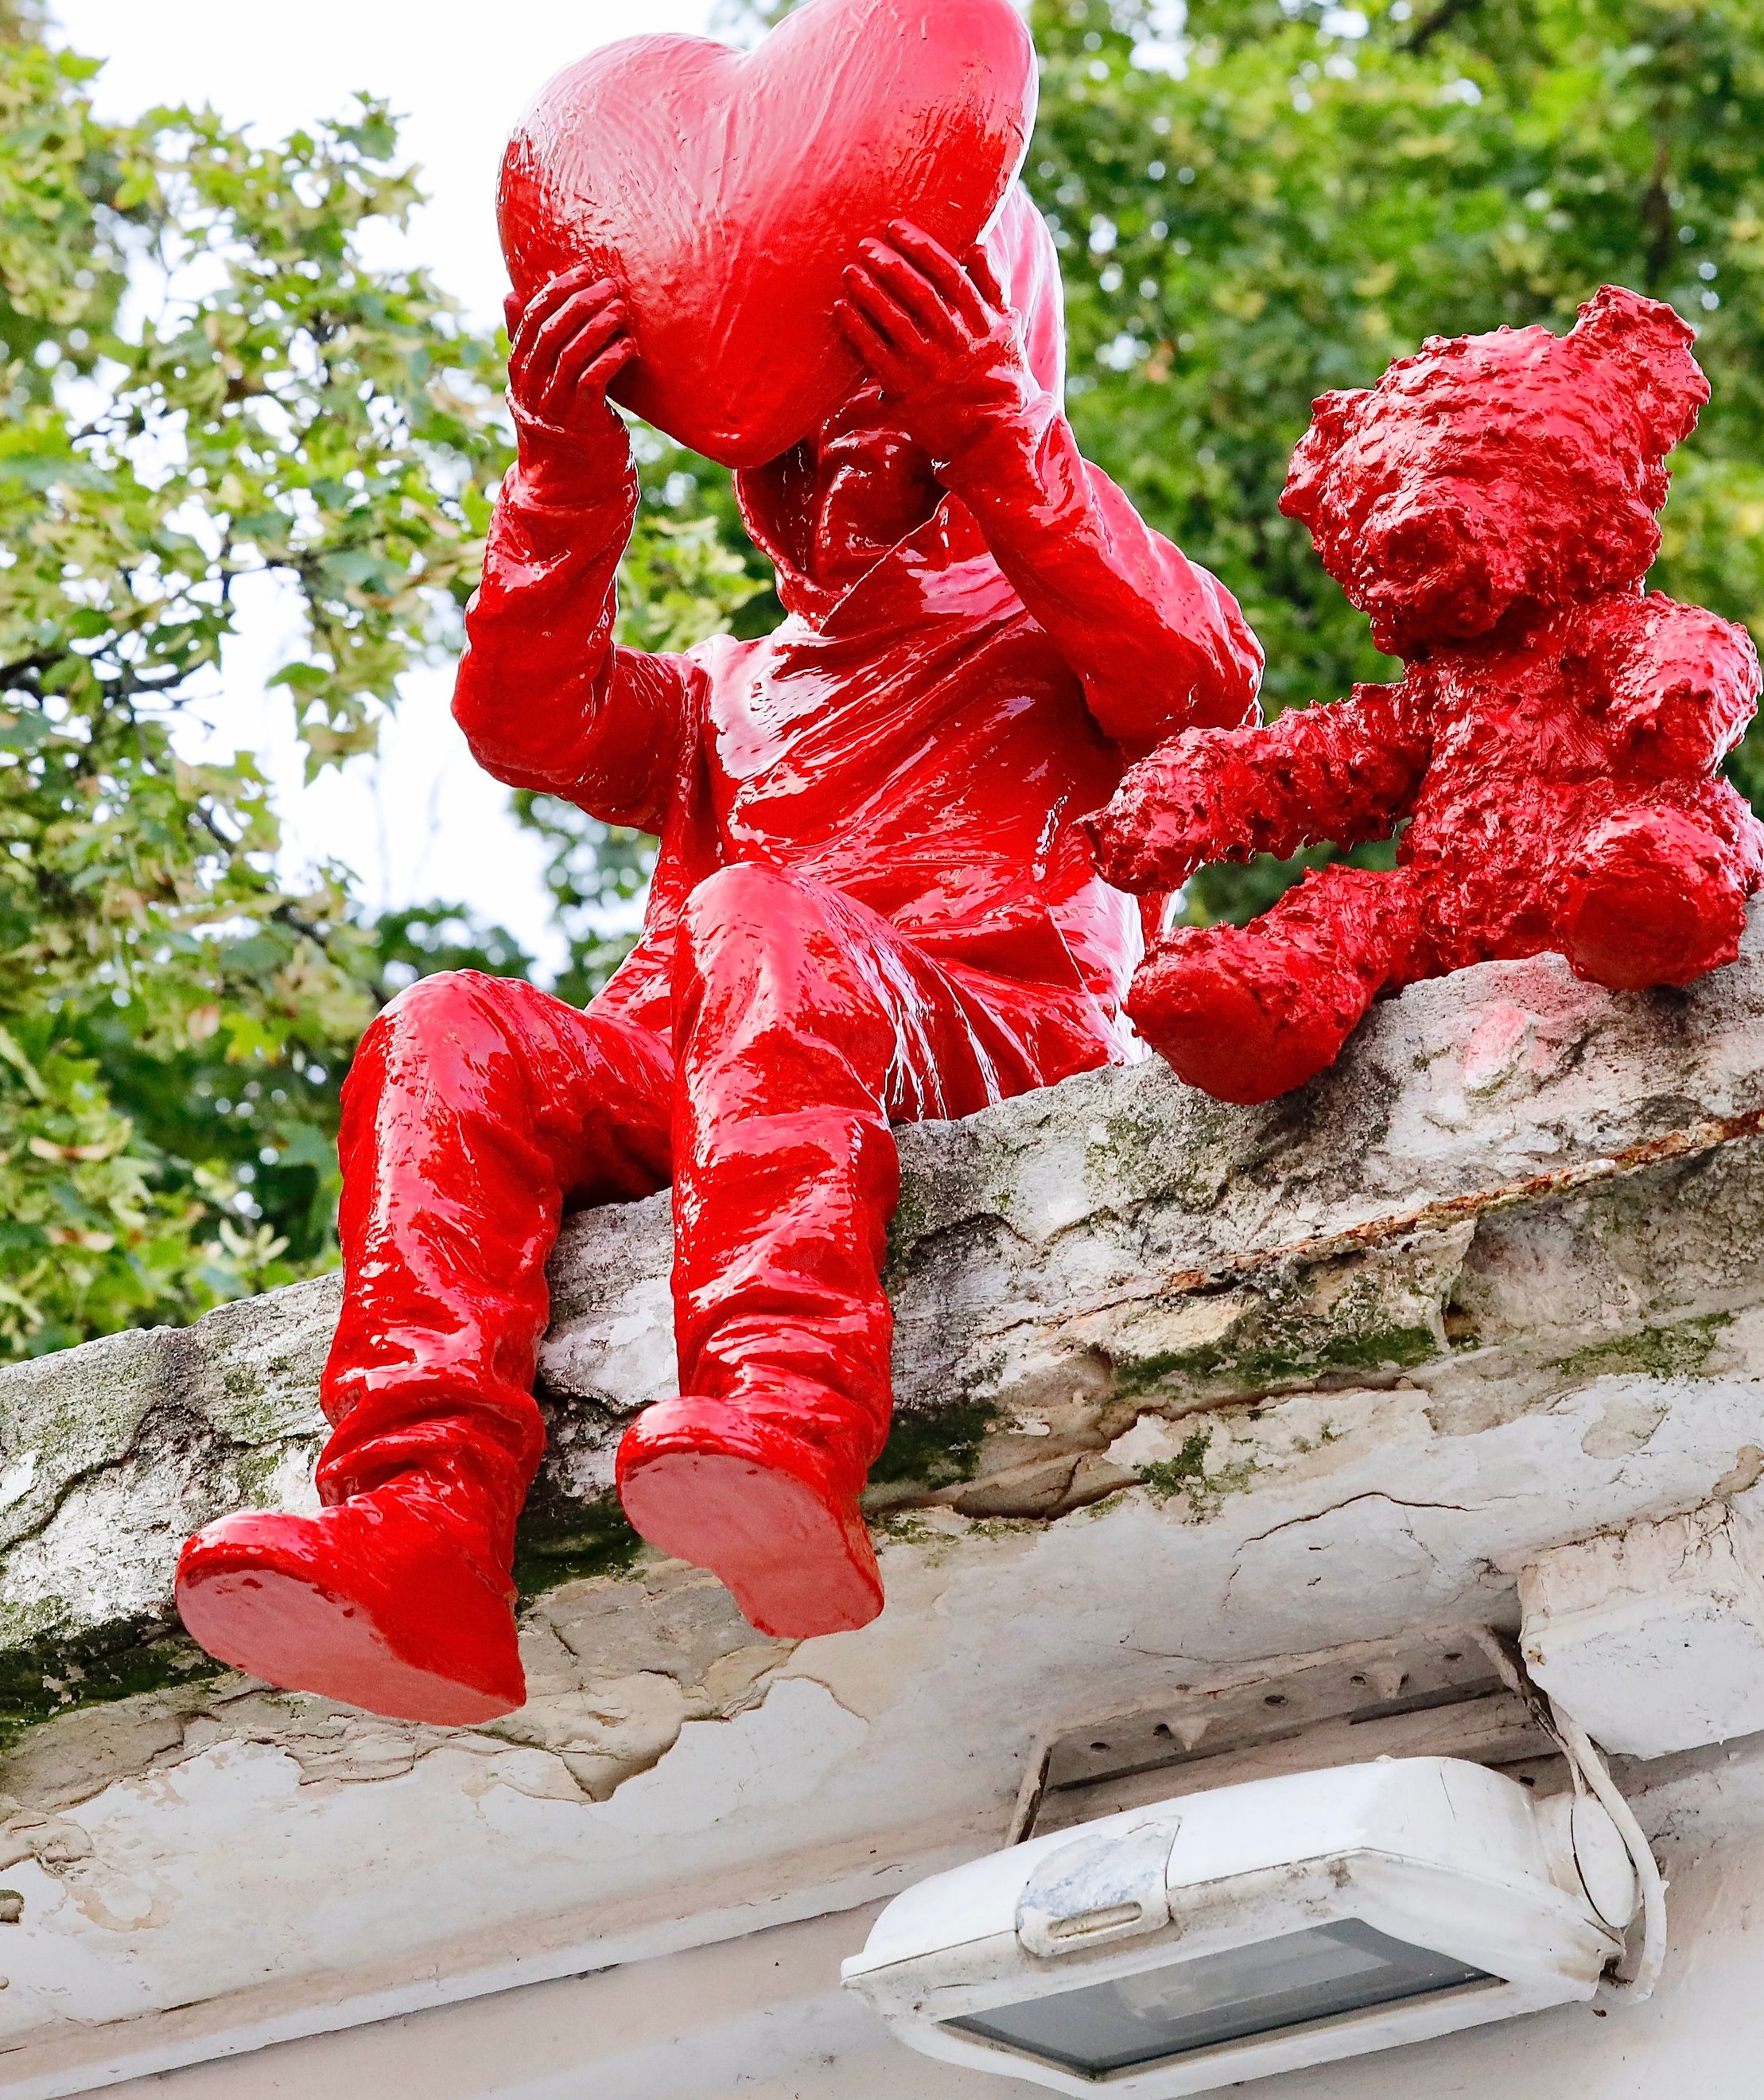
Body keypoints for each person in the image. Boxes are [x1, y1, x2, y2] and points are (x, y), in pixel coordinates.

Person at [173, 200, 1261, 1723]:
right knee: (449, 1029)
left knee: (761, 916)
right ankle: (416, 1520)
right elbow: (529, 720)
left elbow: (1200, 678)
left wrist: (1002, 429)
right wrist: (563, 472)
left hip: (989, 1029)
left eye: (872, 427)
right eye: (788, 456)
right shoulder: (734, 690)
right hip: (724, 1041)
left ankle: (785, 1415)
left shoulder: (1061, 594)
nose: (825, 482)